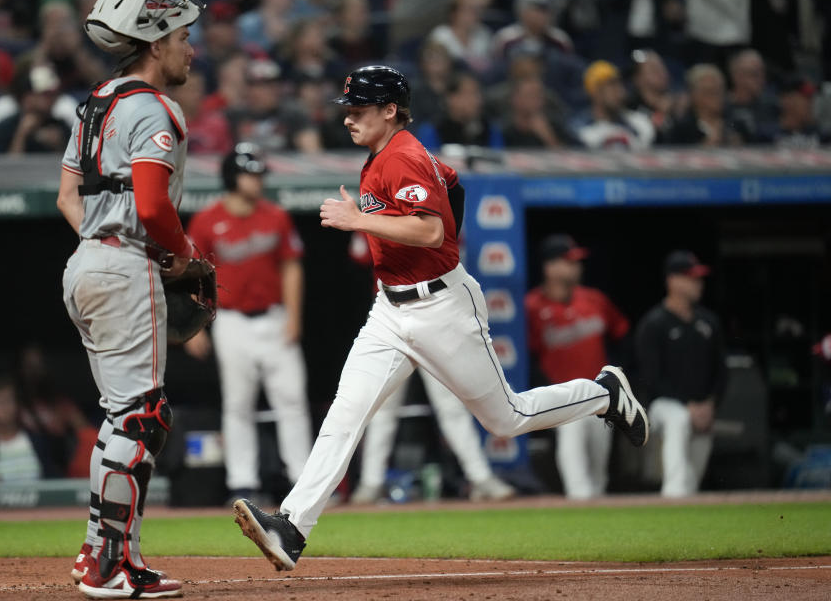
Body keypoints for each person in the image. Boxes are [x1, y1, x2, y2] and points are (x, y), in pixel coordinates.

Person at [231, 65, 650, 572]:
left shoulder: (402, 154)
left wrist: (361, 220)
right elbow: (452, 187)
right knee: (346, 412)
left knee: (506, 417)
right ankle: (292, 527)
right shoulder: (387, 156)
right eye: (347, 110)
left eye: (359, 109)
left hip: (441, 306)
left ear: (390, 110)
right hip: (390, 308)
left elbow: (431, 232)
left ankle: (604, 393)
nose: (348, 119)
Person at [56, 0, 205, 599]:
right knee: (140, 417)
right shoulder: (151, 107)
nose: (190, 49)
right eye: (183, 37)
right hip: (124, 265)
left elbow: (67, 195)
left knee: (127, 417)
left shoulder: (98, 102)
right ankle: (106, 565)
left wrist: (100, 236)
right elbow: (150, 204)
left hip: (88, 260)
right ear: (156, 41)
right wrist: (185, 254)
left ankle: (110, 552)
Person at [184, 144, 313, 505]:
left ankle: (302, 482)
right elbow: (195, 274)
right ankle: (242, 485)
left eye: (258, 173)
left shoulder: (276, 216)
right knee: (238, 405)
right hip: (231, 321)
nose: (257, 180)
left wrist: (293, 317)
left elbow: (291, 267)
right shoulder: (207, 220)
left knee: (292, 401)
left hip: (274, 318)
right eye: (249, 173)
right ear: (231, 177)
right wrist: (195, 325)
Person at [346, 232, 514, 504]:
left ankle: (480, 477)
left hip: (434, 311)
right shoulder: (378, 210)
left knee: (450, 404)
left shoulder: (433, 210)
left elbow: (453, 256)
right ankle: (371, 482)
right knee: (383, 405)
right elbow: (358, 254)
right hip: (391, 311)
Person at [525, 235, 630, 499]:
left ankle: (594, 524)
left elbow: (623, 338)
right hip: (564, 400)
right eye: (568, 262)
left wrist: (616, 380)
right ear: (550, 267)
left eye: (577, 262)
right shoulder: (532, 307)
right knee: (577, 474)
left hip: (598, 396)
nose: (576, 267)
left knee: (599, 475)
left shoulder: (594, 299)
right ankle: (578, 505)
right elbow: (528, 357)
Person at [635, 251, 728, 498]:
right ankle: (672, 496)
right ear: (673, 281)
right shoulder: (654, 323)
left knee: (693, 477)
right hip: (664, 406)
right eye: (690, 278)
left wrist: (710, 403)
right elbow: (650, 379)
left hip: (702, 408)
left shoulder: (708, 322)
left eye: (699, 278)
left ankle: (682, 505)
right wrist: (689, 407)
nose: (698, 283)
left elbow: (721, 371)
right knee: (679, 420)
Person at [0, 374, 57, 482]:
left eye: (9, 400)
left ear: (18, 404)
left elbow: (52, 479)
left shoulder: (37, 441)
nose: (5, 407)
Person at [577, 60, 655, 150]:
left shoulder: (640, 123)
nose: (620, 91)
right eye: (611, 85)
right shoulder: (580, 131)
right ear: (595, 92)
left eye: (620, 84)